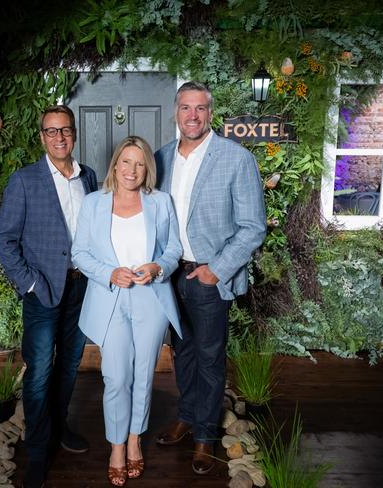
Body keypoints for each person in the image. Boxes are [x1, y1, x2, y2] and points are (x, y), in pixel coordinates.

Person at [154, 81, 266, 475]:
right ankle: (187, 415)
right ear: (176, 112)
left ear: (210, 113)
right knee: (181, 353)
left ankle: (205, 435)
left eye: (200, 108)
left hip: (207, 275)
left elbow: (253, 227)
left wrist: (215, 270)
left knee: (209, 358)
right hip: (171, 275)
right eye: (185, 108)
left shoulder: (236, 159)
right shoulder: (161, 158)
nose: (192, 116)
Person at [0, 105, 98, 488]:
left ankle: (59, 426)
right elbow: (3, 239)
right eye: (51, 132)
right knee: (39, 373)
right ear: (42, 137)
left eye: (65, 130)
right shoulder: (25, 181)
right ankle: (38, 451)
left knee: (69, 365)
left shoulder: (89, 177)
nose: (59, 138)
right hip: (42, 291)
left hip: (81, 287)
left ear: (74, 134)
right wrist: (30, 283)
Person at [72, 136, 183, 487]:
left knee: (143, 376)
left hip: (151, 297)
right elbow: (80, 254)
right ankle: (116, 446)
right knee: (116, 377)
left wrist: (157, 267)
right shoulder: (93, 203)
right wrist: (108, 273)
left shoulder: (161, 202)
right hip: (110, 297)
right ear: (115, 164)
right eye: (125, 162)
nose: (131, 170)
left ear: (147, 168)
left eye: (139, 163)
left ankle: (134, 441)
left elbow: (174, 250)